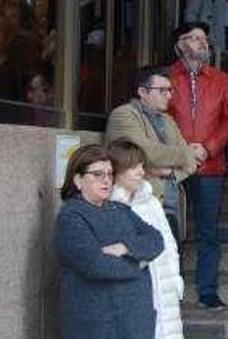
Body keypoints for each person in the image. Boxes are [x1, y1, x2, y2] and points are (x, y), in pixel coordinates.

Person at [56, 144, 164, 339]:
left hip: (135, 321)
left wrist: (126, 247)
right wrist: (140, 262)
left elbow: (156, 240)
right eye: (97, 174)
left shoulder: (119, 209)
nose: (106, 180)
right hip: (97, 324)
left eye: (109, 174)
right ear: (78, 180)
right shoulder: (71, 216)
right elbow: (96, 265)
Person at [167, 21, 228, 311]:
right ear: (179, 46)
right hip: (173, 166)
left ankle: (207, 292)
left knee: (209, 232)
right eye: (193, 38)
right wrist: (184, 151)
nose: (201, 42)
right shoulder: (166, 77)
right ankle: (172, 289)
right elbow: (162, 117)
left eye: (204, 38)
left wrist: (207, 148)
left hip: (210, 166)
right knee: (172, 231)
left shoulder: (223, 80)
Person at [105, 65, 198, 240]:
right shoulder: (123, 115)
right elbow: (145, 152)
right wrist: (184, 154)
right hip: (138, 206)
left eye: (170, 90)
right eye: (162, 90)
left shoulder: (168, 120)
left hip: (171, 208)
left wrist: (170, 172)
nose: (169, 95)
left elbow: (191, 163)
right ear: (142, 91)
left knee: (173, 263)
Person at [108, 139, 184, 339]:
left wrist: (176, 279)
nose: (141, 172)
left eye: (142, 165)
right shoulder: (109, 205)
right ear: (117, 170)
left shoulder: (151, 201)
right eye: (134, 167)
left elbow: (168, 244)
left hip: (165, 285)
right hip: (135, 290)